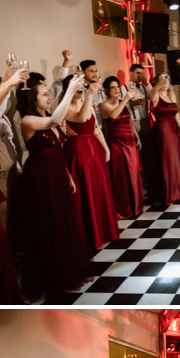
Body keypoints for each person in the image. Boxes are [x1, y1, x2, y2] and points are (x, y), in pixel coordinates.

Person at [15, 78, 92, 299]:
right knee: (47, 224)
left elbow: (57, 149)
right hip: (40, 177)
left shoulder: (44, 118)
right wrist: (69, 90)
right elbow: (57, 119)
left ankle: (65, 270)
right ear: (32, 98)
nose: (49, 97)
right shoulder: (28, 120)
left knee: (62, 222)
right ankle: (49, 277)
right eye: (45, 94)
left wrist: (68, 176)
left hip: (57, 172)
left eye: (49, 93)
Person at [60, 74, 118, 253]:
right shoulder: (65, 106)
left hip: (93, 149)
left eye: (81, 86)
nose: (80, 89)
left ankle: (102, 231)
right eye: (76, 86)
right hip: (78, 150)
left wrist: (106, 149)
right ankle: (90, 235)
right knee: (86, 191)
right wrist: (88, 97)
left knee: (99, 189)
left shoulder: (87, 103)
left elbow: (95, 128)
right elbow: (81, 118)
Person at [100, 77, 143, 219]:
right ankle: (123, 209)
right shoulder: (104, 105)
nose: (117, 89)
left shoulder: (121, 102)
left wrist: (136, 135)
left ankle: (136, 206)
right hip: (116, 143)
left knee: (133, 173)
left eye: (118, 86)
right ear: (107, 90)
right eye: (113, 87)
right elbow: (113, 115)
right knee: (121, 177)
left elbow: (128, 119)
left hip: (129, 141)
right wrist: (125, 99)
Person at [147, 72, 180, 206]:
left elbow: (177, 114)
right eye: (162, 80)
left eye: (167, 80)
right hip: (163, 131)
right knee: (168, 160)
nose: (165, 82)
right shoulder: (155, 96)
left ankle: (179, 190)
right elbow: (150, 96)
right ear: (157, 82)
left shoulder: (171, 95)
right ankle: (168, 193)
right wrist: (158, 85)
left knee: (176, 160)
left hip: (174, 130)